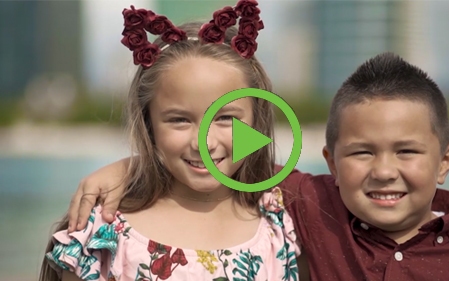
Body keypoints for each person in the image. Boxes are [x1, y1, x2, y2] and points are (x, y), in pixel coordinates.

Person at [65, 52, 449, 280]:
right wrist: (132, 166)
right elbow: (224, 157)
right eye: (362, 153)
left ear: (445, 161)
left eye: (406, 152)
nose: (384, 170)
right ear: (331, 162)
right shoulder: (306, 205)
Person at [39, 2, 304, 281]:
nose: (204, 142)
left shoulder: (281, 227)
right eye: (179, 120)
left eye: (226, 118)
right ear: (148, 123)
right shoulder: (103, 233)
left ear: (256, 119)